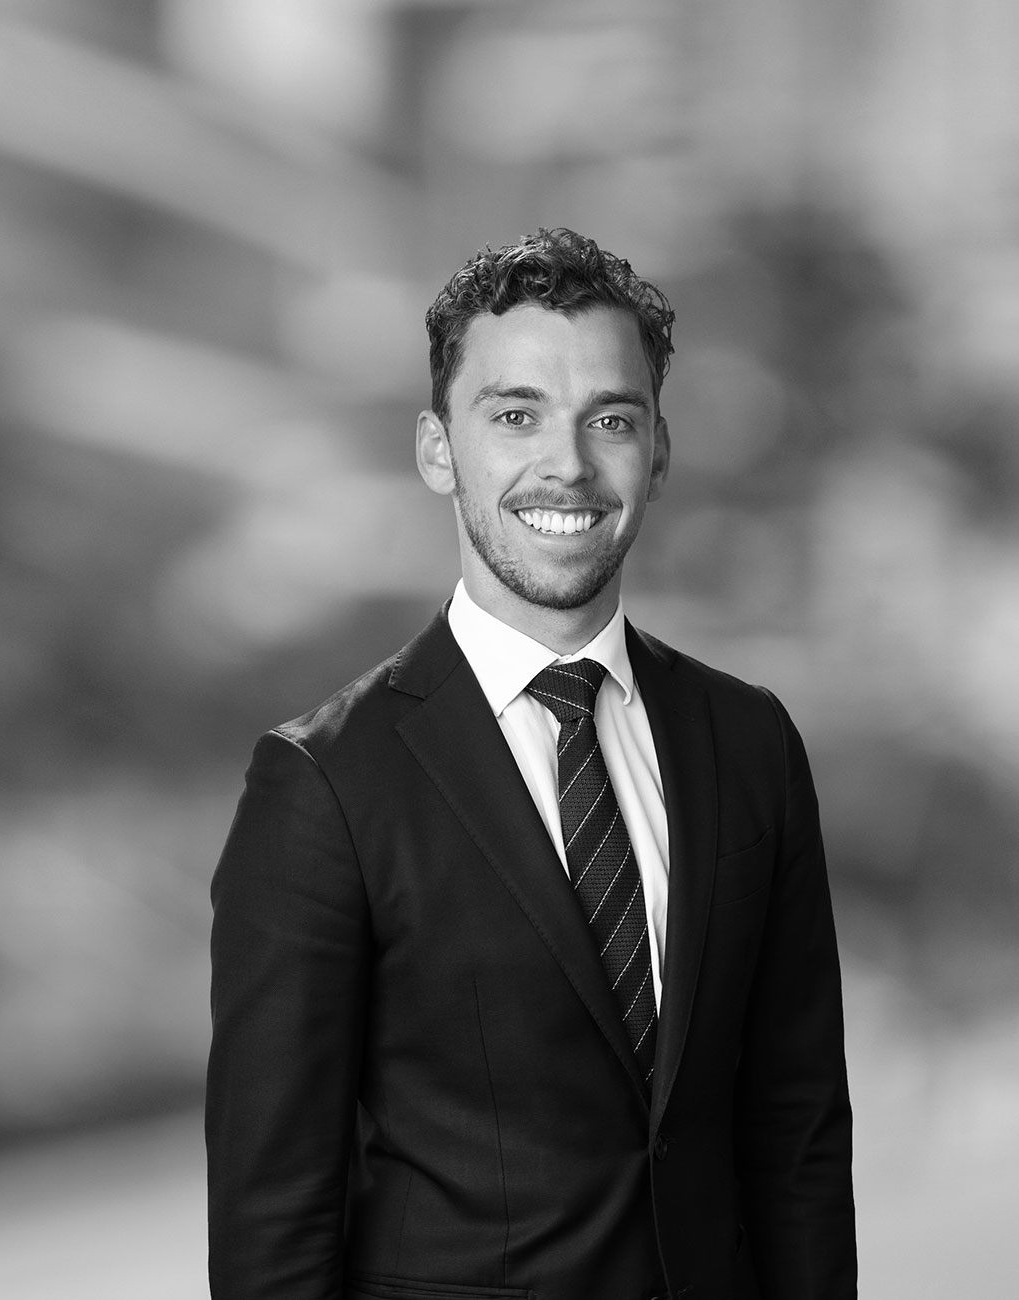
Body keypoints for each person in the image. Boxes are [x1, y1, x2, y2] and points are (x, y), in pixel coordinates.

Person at [205, 228, 856, 1300]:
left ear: (657, 451)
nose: (567, 464)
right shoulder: (322, 784)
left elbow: (797, 1132)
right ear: (436, 450)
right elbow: (273, 1216)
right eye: (515, 415)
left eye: (609, 419)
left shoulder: (748, 744)